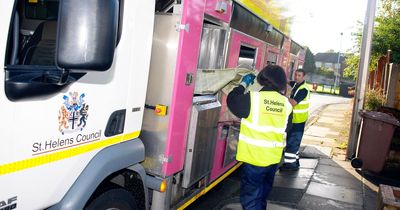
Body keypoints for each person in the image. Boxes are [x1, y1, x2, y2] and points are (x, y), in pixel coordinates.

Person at [227, 65, 293, 210]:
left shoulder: (253, 99)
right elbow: (287, 128)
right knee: (261, 195)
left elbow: (232, 100)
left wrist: (243, 84)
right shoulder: (286, 105)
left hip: (254, 159)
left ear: (263, 78)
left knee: (250, 199)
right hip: (273, 160)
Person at [280, 69, 310, 171]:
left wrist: (282, 97)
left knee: (292, 143)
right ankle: (295, 162)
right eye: (296, 75)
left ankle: (290, 166)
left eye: (299, 75)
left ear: (304, 77)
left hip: (298, 121)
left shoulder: (303, 89)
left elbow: (293, 103)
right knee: (294, 142)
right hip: (295, 120)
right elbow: (289, 81)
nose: (297, 77)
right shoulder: (296, 84)